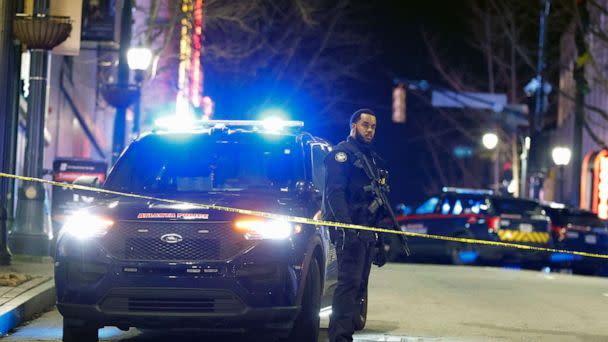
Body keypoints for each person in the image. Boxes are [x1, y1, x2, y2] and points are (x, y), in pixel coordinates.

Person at [322, 108, 391, 342]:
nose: (370, 130)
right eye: (365, 125)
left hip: (368, 230)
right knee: (348, 284)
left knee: (359, 285)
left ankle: (347, 331)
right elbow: (335, 193)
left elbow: (377, 200)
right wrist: (346, 227)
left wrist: (380, 240)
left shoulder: (371, 158)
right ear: (354, 126)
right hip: (349, 230)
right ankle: (340, 337)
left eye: (373, 127)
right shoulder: (342, 154)